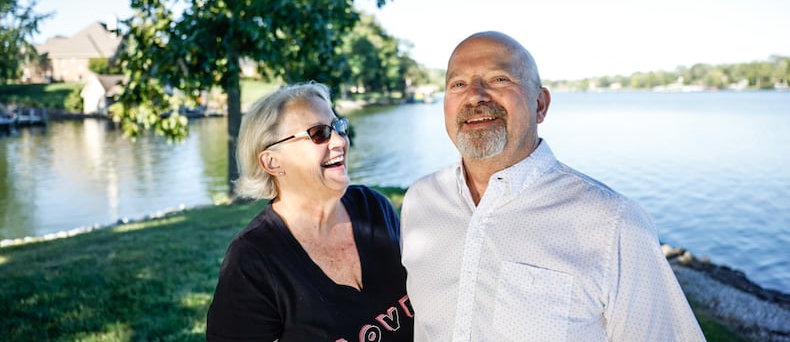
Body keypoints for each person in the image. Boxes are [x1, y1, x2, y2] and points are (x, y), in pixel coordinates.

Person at [401, 31, 705, 341]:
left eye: (499, 80)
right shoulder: (420, 202)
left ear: (541, 104)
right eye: (458, 84)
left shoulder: (614, 223)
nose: (475, 95)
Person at [206, 82, 414, 341]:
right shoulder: (253, 259)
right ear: (272, 161)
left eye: (338, 127)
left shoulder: (373, 208)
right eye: (319, 133)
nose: (339, 141)